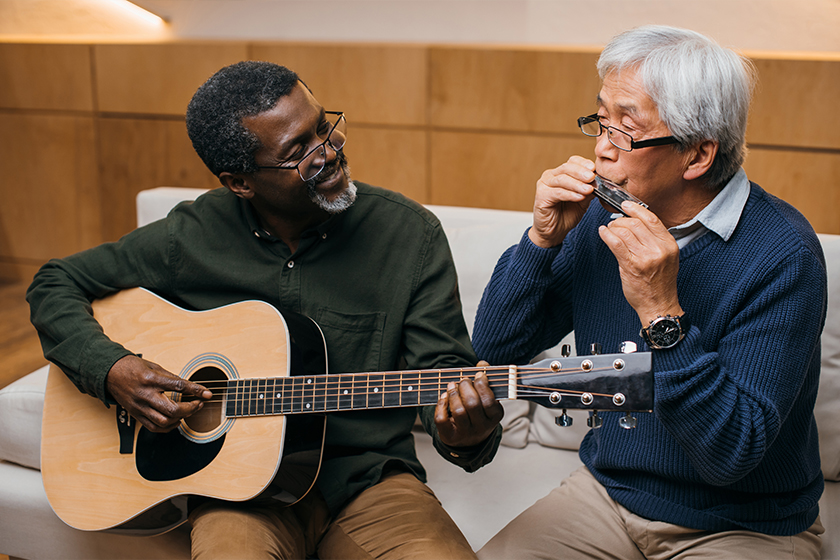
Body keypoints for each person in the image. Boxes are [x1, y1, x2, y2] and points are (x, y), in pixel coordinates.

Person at [27, 60, 503, 559]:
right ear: (241, 183)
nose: (330, 152)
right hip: (240, 495)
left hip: (368, 482)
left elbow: (441, 378)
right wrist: (113, 369)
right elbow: (55, 281)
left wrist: (461, 431)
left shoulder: (410, 235)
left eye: (324, 127)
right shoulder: (190, 236)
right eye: (299, 152)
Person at [472, 25, 827, 559]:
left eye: (624, 130)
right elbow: (495, 349)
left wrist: (661, 309)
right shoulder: (600, 217)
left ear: (697, 156)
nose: (600, 149)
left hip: (745, 525)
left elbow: (730, 454)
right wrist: (541, 242)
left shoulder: (783, 254)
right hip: (607, 496)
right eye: (600, 121)